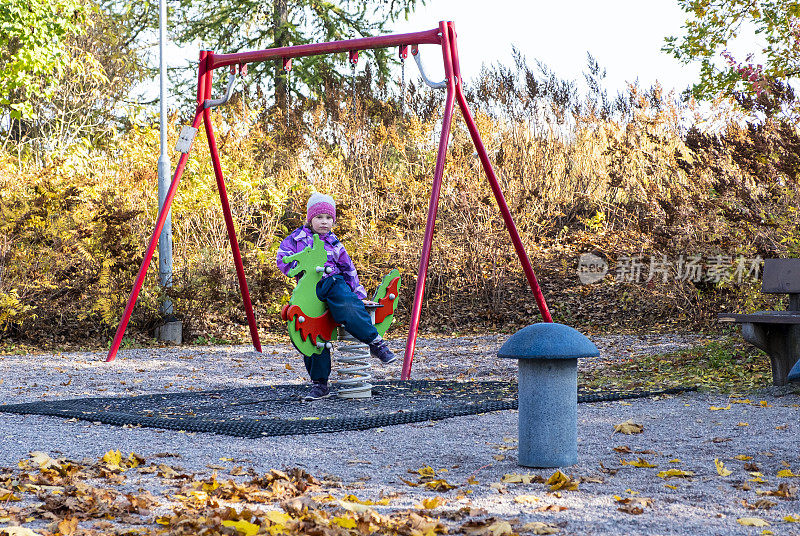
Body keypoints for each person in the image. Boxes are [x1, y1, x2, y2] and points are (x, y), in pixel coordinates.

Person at [276, 192, 397, 400]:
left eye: (329, 218)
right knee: (311, 332)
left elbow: (348, 269)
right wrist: (301, 268)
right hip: (309, 289)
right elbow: (282, 260)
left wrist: (358, 295)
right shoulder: (295, 239)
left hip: (332, 282)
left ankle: (376, 343)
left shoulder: (334, 243)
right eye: (319, 217)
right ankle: (320, 384)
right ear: (310, 218)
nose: (324, 222)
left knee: (346, 301)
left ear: (333, 220)